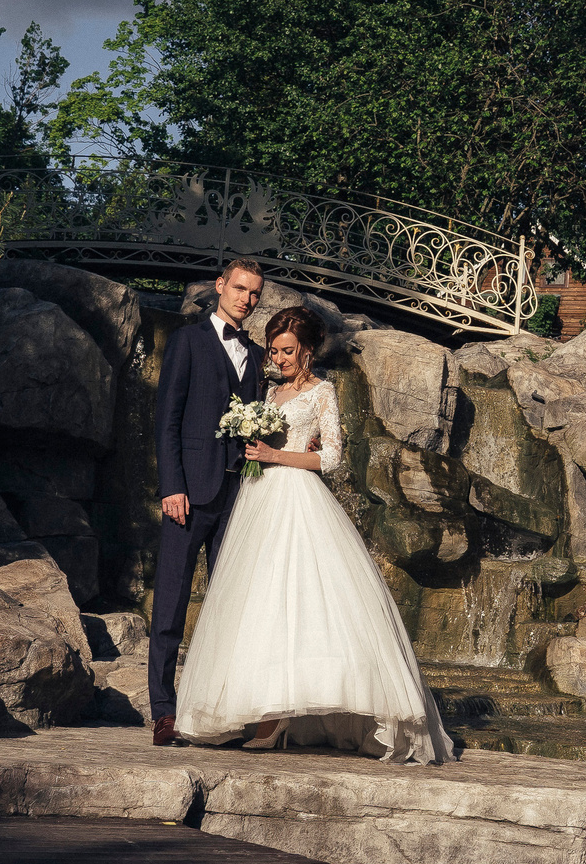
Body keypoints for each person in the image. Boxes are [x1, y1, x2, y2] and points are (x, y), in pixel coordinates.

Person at [176, 306, 456, 763]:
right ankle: (259, 710)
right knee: (259, 602)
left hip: (296, 497)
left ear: (306, 349)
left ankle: (276, 719)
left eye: (287, 350)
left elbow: (333, 457)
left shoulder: (323, 392)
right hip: (257, 496)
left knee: (300, 599)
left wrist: (277, 454)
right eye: (274, 350)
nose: (279, 357)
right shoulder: (269, 390)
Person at [147, 257, 265, 746]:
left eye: (255, 293)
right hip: (189, 495)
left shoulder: (257, 355)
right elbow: (167, 419)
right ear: (220, 286)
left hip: (239, 496)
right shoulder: (188, 341)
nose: (246, 299)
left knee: (227, 608)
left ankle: (218, 710)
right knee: (171, 603)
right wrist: (171, 486)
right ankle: (163, 712)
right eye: (239, 288)